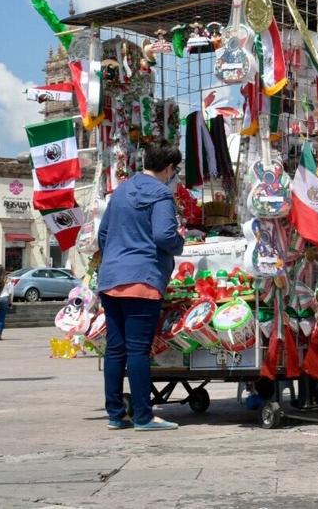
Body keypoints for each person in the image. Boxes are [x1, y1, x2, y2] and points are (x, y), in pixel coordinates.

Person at [97, 143, 185, 431]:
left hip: (111, 278)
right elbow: (163, 235)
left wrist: (115, 257)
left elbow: (104, 233)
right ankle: (144, 416)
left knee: (115, 349)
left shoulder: (121, 190)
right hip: (142, 279)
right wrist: (179, 244)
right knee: (137, 350)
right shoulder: (161, 194)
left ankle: (115, 414)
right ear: (170, 168)